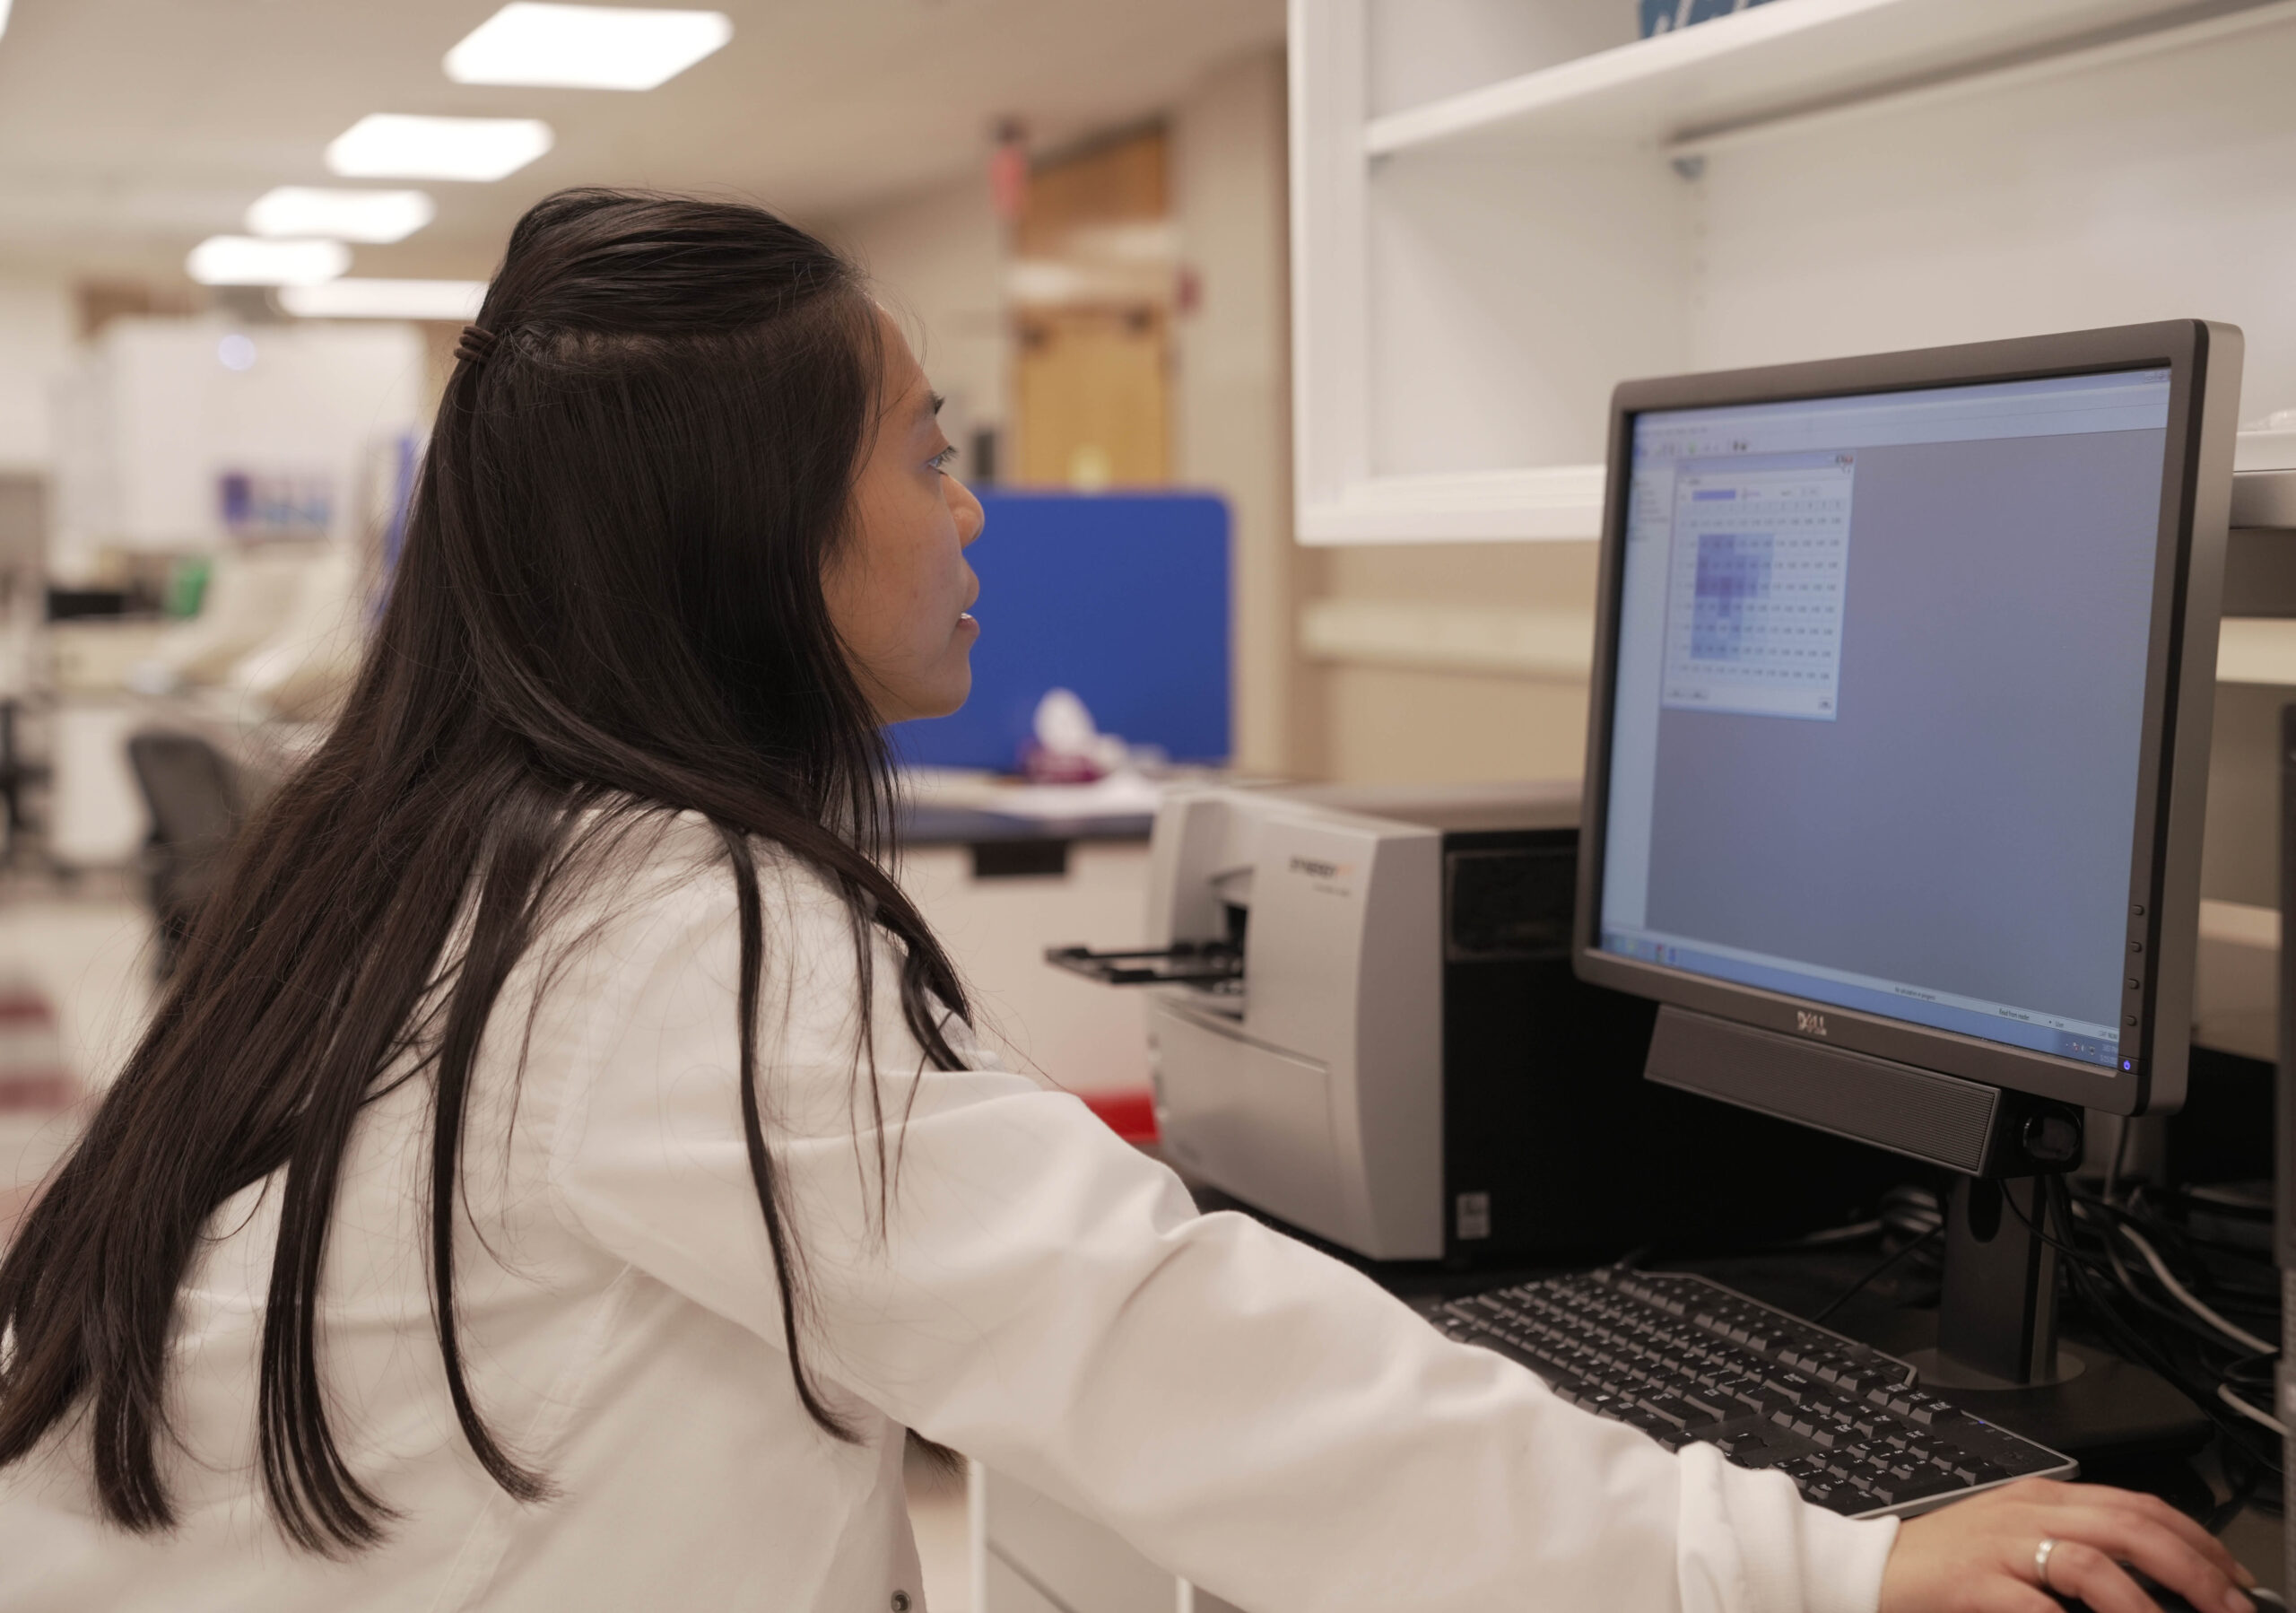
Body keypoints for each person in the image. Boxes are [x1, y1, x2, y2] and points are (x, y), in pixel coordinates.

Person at [0, 190, 2258, 1613]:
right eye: (925, 446)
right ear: (753, 533)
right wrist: (1814, 1560)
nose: (972, 510)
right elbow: (1166, 1357)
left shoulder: (453, 845)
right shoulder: (682, 940)